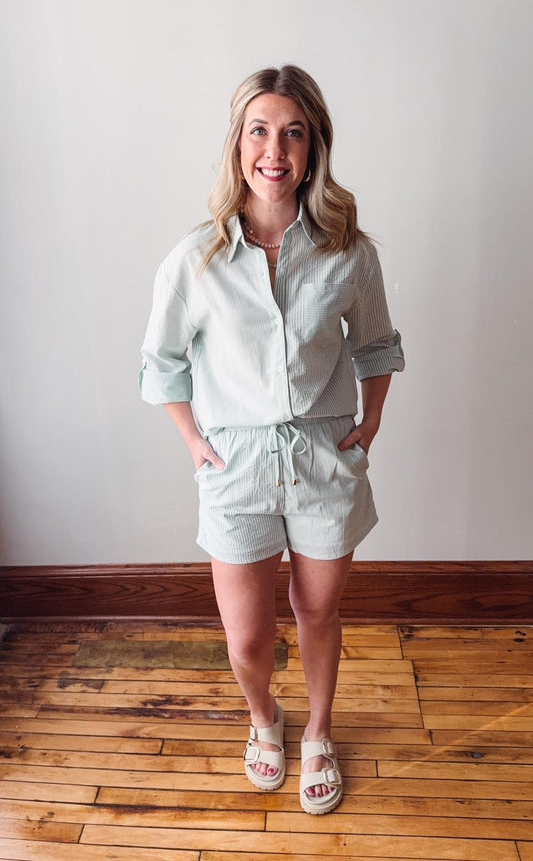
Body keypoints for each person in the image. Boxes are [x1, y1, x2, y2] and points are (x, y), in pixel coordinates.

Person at [140, 64, 404, 815]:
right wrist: (194, 442)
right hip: (236, 461)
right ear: (238, 143)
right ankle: (265, 719)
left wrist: (370, 420)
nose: (275, 149)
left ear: (313, 144)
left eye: (293, 131)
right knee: (248, 639)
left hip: (324, 458)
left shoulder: (349, 250)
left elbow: (377, 345)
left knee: (319, 611)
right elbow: (159, 362)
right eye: (259, 130)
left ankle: (318, 732)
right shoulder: (196, 256)